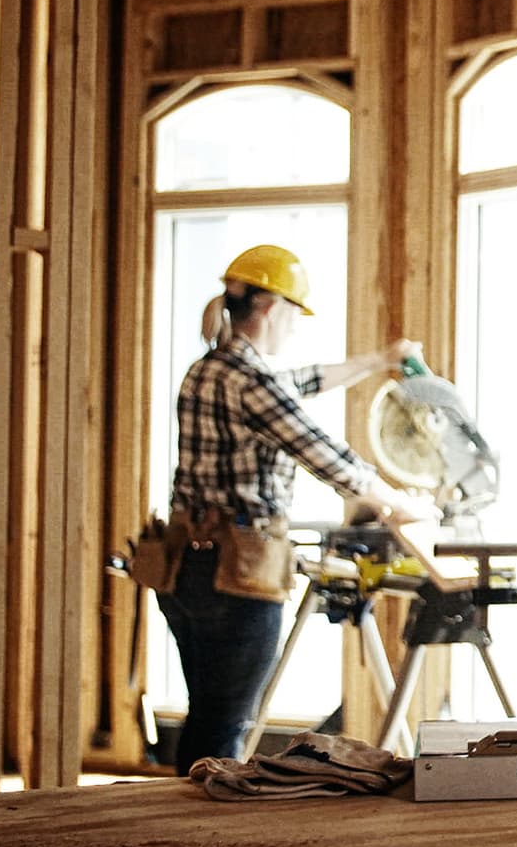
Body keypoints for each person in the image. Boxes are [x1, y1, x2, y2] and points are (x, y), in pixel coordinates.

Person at [159, 244, 426, 773]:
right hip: (237, 574)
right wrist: (400, 502)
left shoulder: (206, 370)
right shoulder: (250, 382)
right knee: (227, 729)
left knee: (207, 718)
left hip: (184, 567)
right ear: (271, 308)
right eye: (294, 316)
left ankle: (182, 828)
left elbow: (301, 383)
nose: (294, 328)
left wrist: (378, 361)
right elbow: (324, 454)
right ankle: (210, 844)